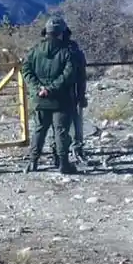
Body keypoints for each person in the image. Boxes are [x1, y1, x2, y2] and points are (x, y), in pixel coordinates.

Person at [21, 17, 78, 174]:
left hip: (40, 98)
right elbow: (68, 74)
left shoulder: (35, 51)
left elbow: (26, 70)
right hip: (61, 99)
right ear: (61, 33)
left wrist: (38, 88)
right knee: (61, 131)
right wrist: (51, 89)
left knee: (39, 130)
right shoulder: (67, 52)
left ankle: (33, 162)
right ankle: (63, 164)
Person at [48, 26, 88, 165]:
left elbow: (81, 75)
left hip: (62, 93)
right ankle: (70, 151)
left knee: (59, 126)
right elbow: (81, 75)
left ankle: (59, 153)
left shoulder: (51, 49)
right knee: (70, 124)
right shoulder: (73, 49)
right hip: (67, 94)